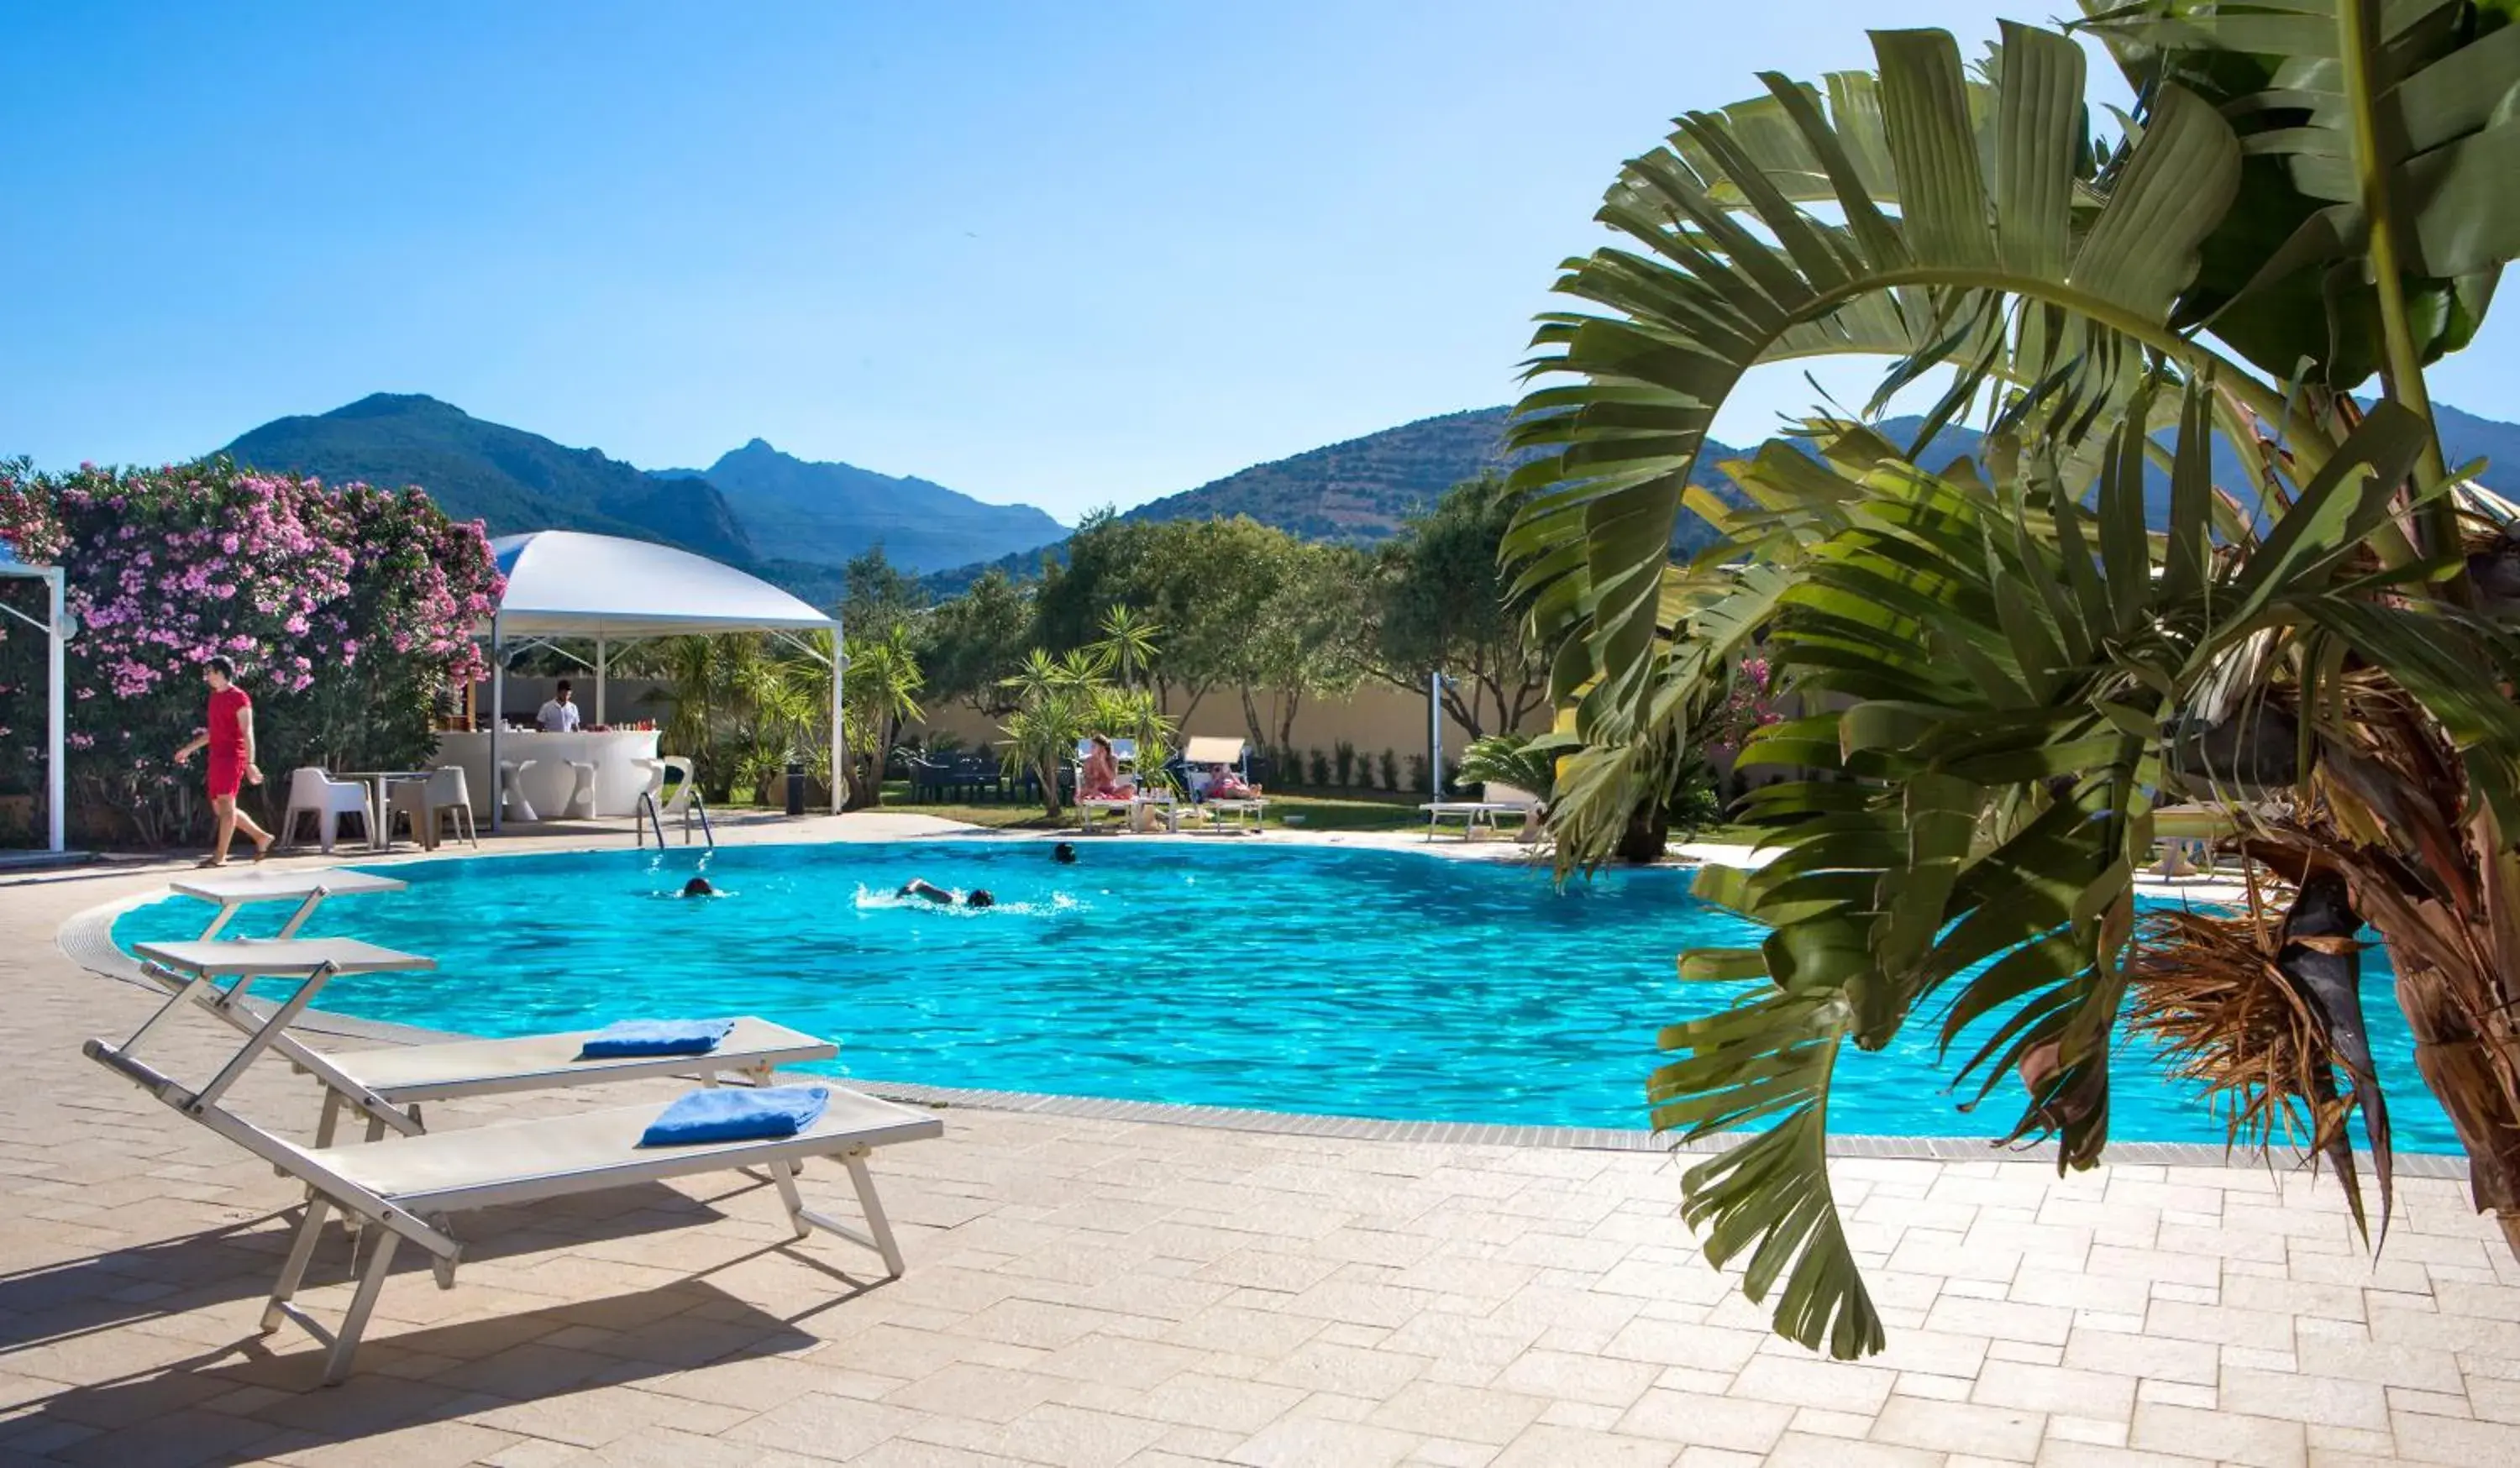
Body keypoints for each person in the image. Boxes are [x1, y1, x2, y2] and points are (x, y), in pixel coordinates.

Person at [173, 656, 274, 867]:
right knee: (221, 809)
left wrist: (250, 763)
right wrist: (188, 750)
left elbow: (247, 732)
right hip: (217, 758)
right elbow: (213, 733)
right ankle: (261, 837)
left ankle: (219, 857)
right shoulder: (214, 698)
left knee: (227, 808)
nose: (207, 676)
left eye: (210, 672)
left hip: (233, 757)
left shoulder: (240, 698)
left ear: (220, 673)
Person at [1079, 734, 1133, 799]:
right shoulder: (1088, 761)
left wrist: (1103, 761)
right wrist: (1093, 778)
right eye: (1091, 746)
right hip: (1095, 790)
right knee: (1084, 791)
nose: (1091, 749)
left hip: (1111, 790)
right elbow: (1087, 781)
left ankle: (1106, 796)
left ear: (1102, 748)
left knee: (1130, 788)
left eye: (1094, 746)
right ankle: (1102, 796)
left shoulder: (1113, 759)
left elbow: (1112, 777)